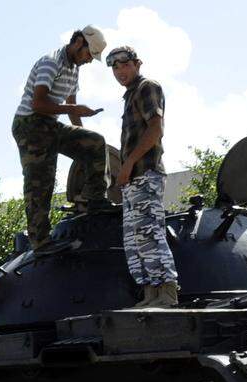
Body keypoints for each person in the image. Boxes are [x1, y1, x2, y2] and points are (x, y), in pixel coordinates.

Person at [12, 25, 110, 255]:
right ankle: (40, 242)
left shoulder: (74, 69)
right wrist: (73, 108)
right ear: (78, 42)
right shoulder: (50, 62)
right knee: (40, 182)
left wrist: (81, 144)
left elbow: (72, 109)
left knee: (95, 142)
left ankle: (95, 201)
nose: (88, 60)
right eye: (88, 54)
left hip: (50, 124)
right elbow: (38, 103)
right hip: (30, 125)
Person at [108, 45, 179, 308]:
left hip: (145, 174)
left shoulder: (147, 87)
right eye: (114, 67)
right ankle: (151, 294)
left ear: (137, 63)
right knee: (135, 240)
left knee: (149, 234)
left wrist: (128, 164)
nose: (119, 71)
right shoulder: (129, 96)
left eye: (124, 64)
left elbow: (155, 129)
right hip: (132, 179)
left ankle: (167, 294)